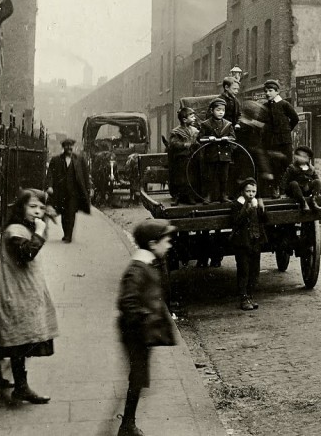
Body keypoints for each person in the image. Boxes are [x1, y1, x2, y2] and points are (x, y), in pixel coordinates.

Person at [0, 189, 58, 404]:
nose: (37, 211)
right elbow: (26, 254)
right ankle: (21, 388)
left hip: (22, 290)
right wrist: (41, 231)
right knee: (18, 339)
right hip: (16, 292)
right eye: (32, 206)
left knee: (7, 336)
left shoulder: (23, 227)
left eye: (41, 208)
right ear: (21, 207)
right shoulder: (15, 230)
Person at [116, 220, 177, 436]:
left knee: (138, 376)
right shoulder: (137, 269)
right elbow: (127, 302)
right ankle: (127, 425)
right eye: (166, 241)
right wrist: (146, 319)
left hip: (141, 332)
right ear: (153, 244)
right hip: (136, 333)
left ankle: (127, 422)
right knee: (138, 376)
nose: (169, 245)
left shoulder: (149, 263)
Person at [230, 178, 266, 311]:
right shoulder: (237, 204)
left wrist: (262, 209)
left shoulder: (256, 203)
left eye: (253, 191)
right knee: (243, 270)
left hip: (255, 240)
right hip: (242, 242)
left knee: (254, 270)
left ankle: (250, 295)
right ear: (242, 192)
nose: (251, 194)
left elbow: (264, 220)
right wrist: (246, 210)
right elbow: (235, 221)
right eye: (248, 191)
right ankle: (243, 297)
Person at [45, 137, 91, 243]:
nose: (69, 148)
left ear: (73, 147)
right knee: (64, 213)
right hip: (60, 192)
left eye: (70, 146)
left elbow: (85, 176)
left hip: (74, 193)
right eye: (66, 146)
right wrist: (50, 186)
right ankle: (66, 233)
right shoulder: (56, 160)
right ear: (63, 147)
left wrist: (88, 189)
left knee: (71, 213)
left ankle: (69, 236)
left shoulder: (79, 159)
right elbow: (50, 174)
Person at [262, 79, 301, 197]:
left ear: (277, 91)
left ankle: (288, 190)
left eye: (270, 91)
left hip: (285, 142)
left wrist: (286, 130)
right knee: (274, 166)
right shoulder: (265, 106)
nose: (267, 93)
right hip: (272, 142)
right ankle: (276, 189)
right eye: (266, 91)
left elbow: (295, 118)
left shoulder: (284, 105)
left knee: (287, 165)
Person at [197, 97, 237, 203]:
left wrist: (227, 138)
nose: (220, 113)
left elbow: (233, 138)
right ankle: (208, 196)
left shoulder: (228, 124)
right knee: (210, 177)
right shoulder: (206, 124)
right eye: (218, 110)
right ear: (212, 111)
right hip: (211, 155)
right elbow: (199, 138)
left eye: (222, 110)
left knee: (224, 176)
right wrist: (208, 138)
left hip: (225, 155)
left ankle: (223, 196)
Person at [168, 106, 199, 205]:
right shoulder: (177, 131)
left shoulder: (195, 131)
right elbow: (173, 143)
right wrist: (185, 144)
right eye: (192, 117)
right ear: (184, 120)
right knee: (180, 179)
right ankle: (177, 197)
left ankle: (190, 196)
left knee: (191, 178)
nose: (194, 118)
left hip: (192, 158)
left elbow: (198, 142)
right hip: (181, 159)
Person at [281, 146, 321, 212]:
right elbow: (284, 179)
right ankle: (303, 203)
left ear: (308, 158)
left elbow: (316, 178)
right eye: (299, 156)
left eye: (304, 156)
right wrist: (282, 193)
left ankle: (314, 200)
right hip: (295, 191)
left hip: (305, 189)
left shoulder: (311, 169)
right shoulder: (292, 167)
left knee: (317, 182)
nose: (301, 158)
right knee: (294, 183)